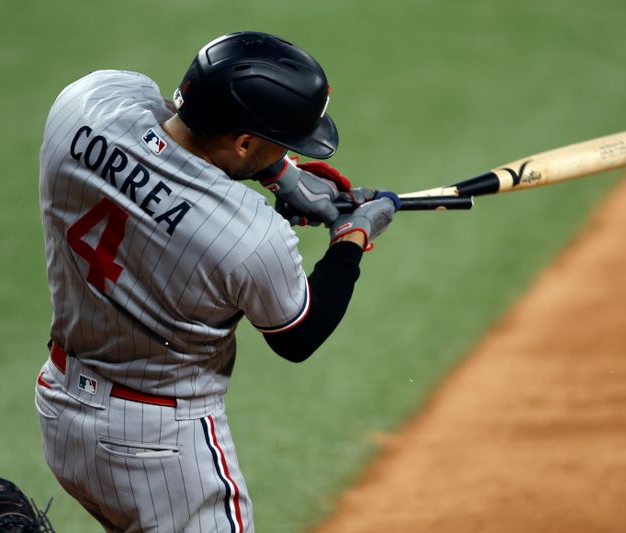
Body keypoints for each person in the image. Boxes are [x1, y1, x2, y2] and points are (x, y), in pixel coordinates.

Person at [34, 31, 398, 532]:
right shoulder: (249, 234)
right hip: (158, 450)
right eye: (281, 144)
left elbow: (166, 123)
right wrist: (350, 238)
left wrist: (281, 174)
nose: (287, 151)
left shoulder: (83, 104)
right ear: (244, 142)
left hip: (60, 408)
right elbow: (298, 335)